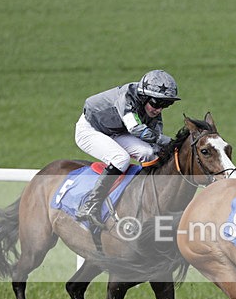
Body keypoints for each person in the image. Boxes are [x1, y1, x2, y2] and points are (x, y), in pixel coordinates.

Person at [74, 69, 180, 227]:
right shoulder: (127, 97)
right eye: (157, 103)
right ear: (144, 97)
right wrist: (168, 141)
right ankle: (90, 206)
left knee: (149, 152)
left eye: (166, 104)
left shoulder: (153, 111)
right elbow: (136, 129)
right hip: (90, 130)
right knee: (120, 158)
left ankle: (146, 198)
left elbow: (156, 142)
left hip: (117, 131)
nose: (159, 109)